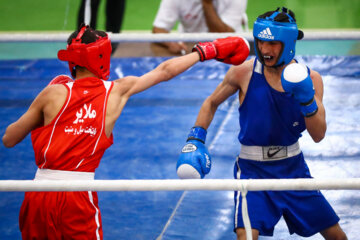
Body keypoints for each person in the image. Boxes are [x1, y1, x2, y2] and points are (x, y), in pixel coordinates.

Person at [1, 24, 249, 239]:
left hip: (37, 194)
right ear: (101, 56)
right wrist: (205, 51)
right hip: (76, 196)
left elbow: (9, 138)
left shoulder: (52, 93)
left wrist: (45, 115)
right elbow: (164, 71)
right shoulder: (116, 91)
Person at [176, 7, 348, 240]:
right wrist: (195, 139)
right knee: (246, 236)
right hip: (252, 171)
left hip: (293, 169)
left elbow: (318, 135)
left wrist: (307, 101)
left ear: (288, 43)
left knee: (338, 237)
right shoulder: (244, 72)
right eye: (260, 42)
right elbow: (210, 103)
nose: (264, 50)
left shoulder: (312, 78)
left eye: (272, 44)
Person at [152, 0, 248, 55]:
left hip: (228, 47)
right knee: (156, 47)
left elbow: (221, 36)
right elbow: (158, 29)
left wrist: (207, 4)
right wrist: (171, 44)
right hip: (191, 47)